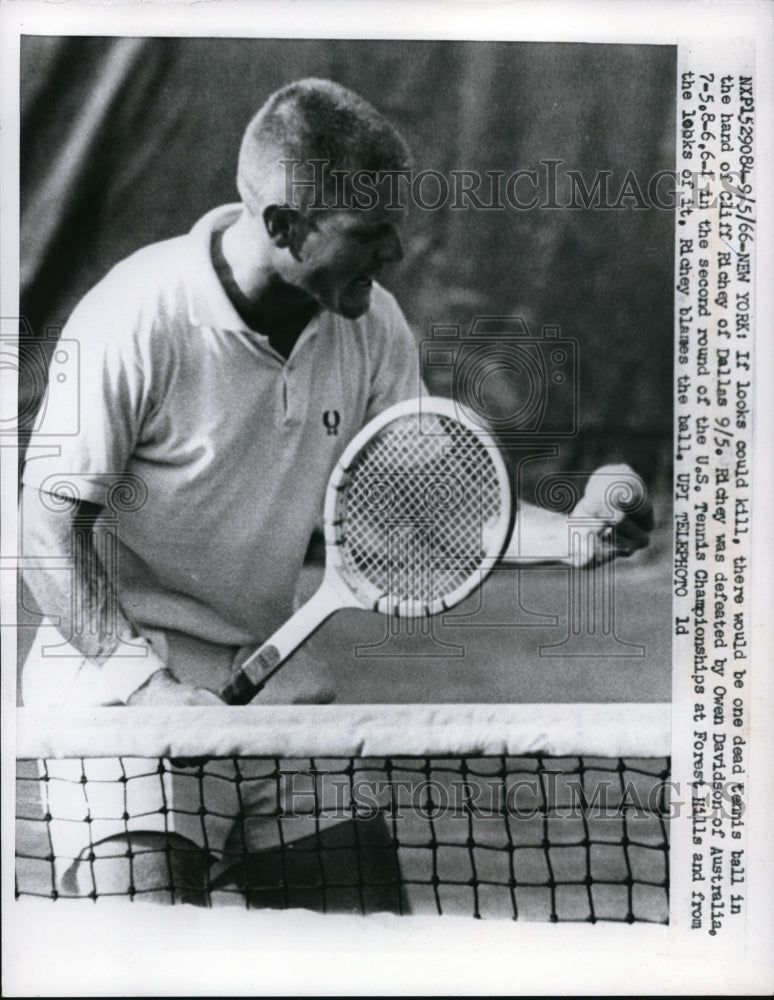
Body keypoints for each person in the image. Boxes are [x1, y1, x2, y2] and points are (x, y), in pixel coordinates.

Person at [20, 78, 653, 904]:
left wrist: (579, 536)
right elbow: (45, 525)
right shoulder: (139, 314)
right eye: (371, 233)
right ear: (284, 225)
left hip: (269, 678)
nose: (394, 253)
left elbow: (441, 507)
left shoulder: (371, 322)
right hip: (117, 694)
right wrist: (151, 692)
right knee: (149, 952)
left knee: (368, 947)